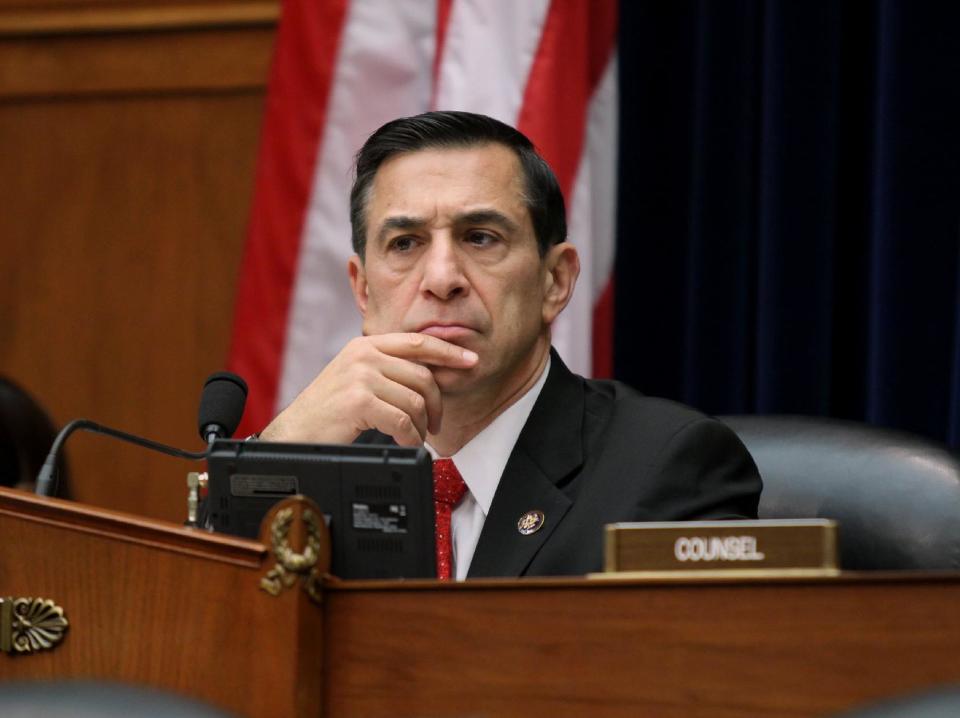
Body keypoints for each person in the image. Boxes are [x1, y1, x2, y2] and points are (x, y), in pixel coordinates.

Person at [259, 111, 761, 578]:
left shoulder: (668, 467)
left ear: (555, 281)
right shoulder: (323, 469)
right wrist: (278, 453)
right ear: (364, 291)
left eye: (479, 237)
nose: (441, 278)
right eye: (405, 243)